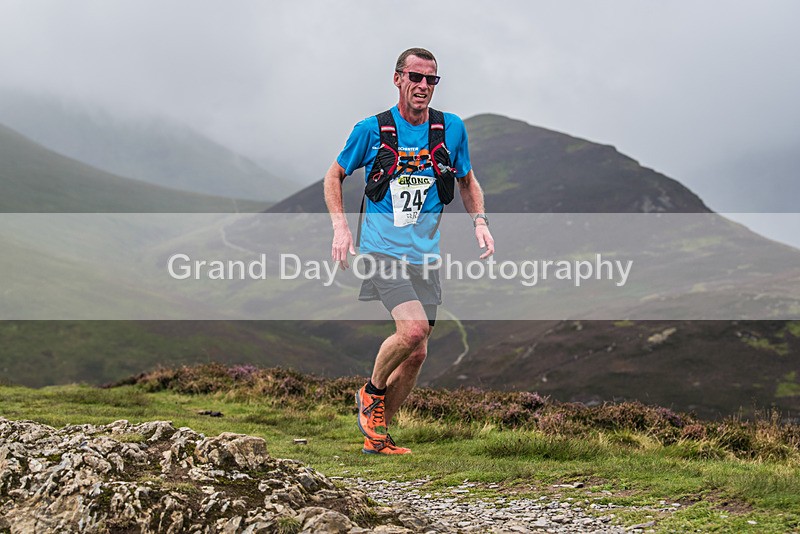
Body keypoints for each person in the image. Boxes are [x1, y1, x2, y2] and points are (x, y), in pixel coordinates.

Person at [323, 47, 494, 455]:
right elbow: (334, 175)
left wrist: (480, 222)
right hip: (383, 251)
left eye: (430, 80)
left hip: (425, 255)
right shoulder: (372, 129)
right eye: (415, 77)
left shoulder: (450, 129)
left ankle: (378, 439)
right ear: (397, 78)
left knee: (417, 352)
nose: (422, 86)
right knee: (412, 329)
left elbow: (467, 181)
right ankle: (371, 392)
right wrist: (340, 227)